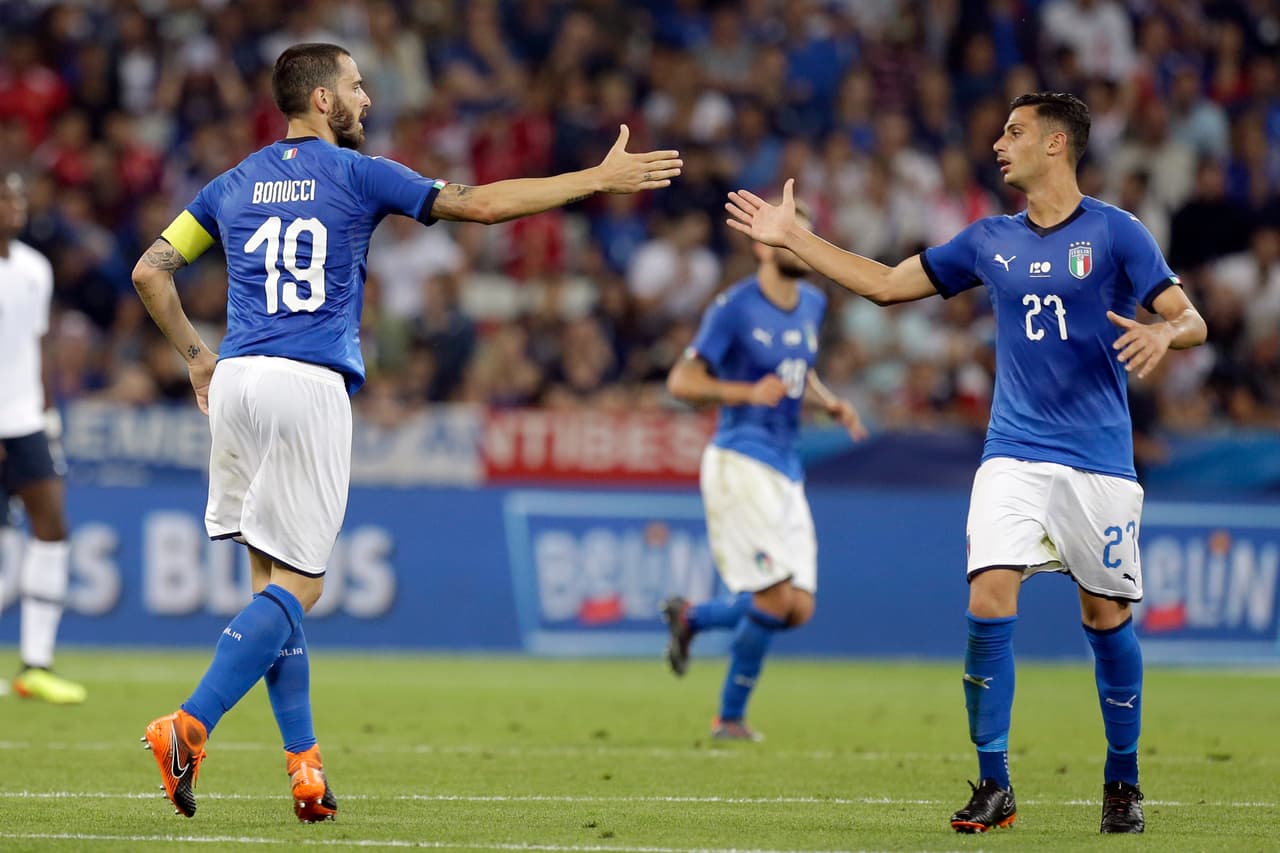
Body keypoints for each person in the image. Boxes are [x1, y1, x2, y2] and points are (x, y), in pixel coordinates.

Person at [131, 42, 680, 822]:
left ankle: (305, 768)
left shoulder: (232, 182)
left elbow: (150, 270)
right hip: (306, 382)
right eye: (356, 86)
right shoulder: (359, 173)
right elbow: (479, 205)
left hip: (239, 381)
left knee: (272, 589)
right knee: (304, 585)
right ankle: (187, 725)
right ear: (322, 99)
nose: (366, 98)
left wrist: (196, 359)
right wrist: (594, 179)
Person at [725, 92, 1207, 834]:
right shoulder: (988, 240)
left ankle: (1123, 779)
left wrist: (1165, 335)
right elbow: (886, 285)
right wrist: (795, 239)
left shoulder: (1117, 232)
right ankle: (994, 782)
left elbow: (1190, 317)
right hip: (1012, 451)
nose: (998, 144)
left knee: (1106, 615)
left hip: (1099, 460)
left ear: (1056, 144)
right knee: (988, 598)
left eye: (1014, 132)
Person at [662, 200, 866, 741]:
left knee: (797, 608)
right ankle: (729, 718)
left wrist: (829, 402)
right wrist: (745, 392)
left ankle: (692, 618)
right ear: (761, 244)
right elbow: (681, 382)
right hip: (740, 459)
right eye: (789, 233)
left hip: (785, 465)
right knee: (774, 597)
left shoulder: (813, 303)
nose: (800, 243)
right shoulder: (734, 307)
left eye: (805, 234)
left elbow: (799, 370)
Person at [0, 172, 85, 706]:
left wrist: (48, 412)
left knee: (52, 526)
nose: (16, 206)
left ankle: (36, 664)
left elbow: (37, 347)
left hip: (26, 420)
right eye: (5, 198)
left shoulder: (34, 268)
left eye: (18, 197)